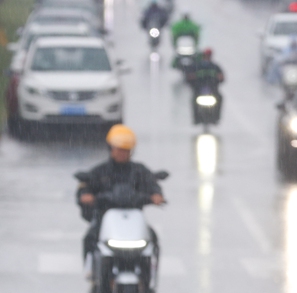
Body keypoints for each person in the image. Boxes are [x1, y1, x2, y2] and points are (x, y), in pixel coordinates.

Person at [77, 125, 164, 269]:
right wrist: (86, 195)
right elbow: (85, 186)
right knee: (90, 237)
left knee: (152, 238)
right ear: (110, 148)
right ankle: (91, 271)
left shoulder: (139, 171)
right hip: (105, 217)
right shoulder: (100, 171)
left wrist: (156, 195)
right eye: (119, 149)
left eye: (127, 150)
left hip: (134, 217)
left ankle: (149, 275)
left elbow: (151, 183)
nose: (123, 153)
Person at [185, 48, 225, 120]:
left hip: (212, 91)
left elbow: (221, 77)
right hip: (199, 90)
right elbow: (188, 77)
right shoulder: (196, 66)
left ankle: (216, 117)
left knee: (219, 98)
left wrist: (219, 78)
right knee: (194, 99)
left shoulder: (215, 67)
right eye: (206, 55)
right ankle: (196, 117)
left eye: (209, 56)